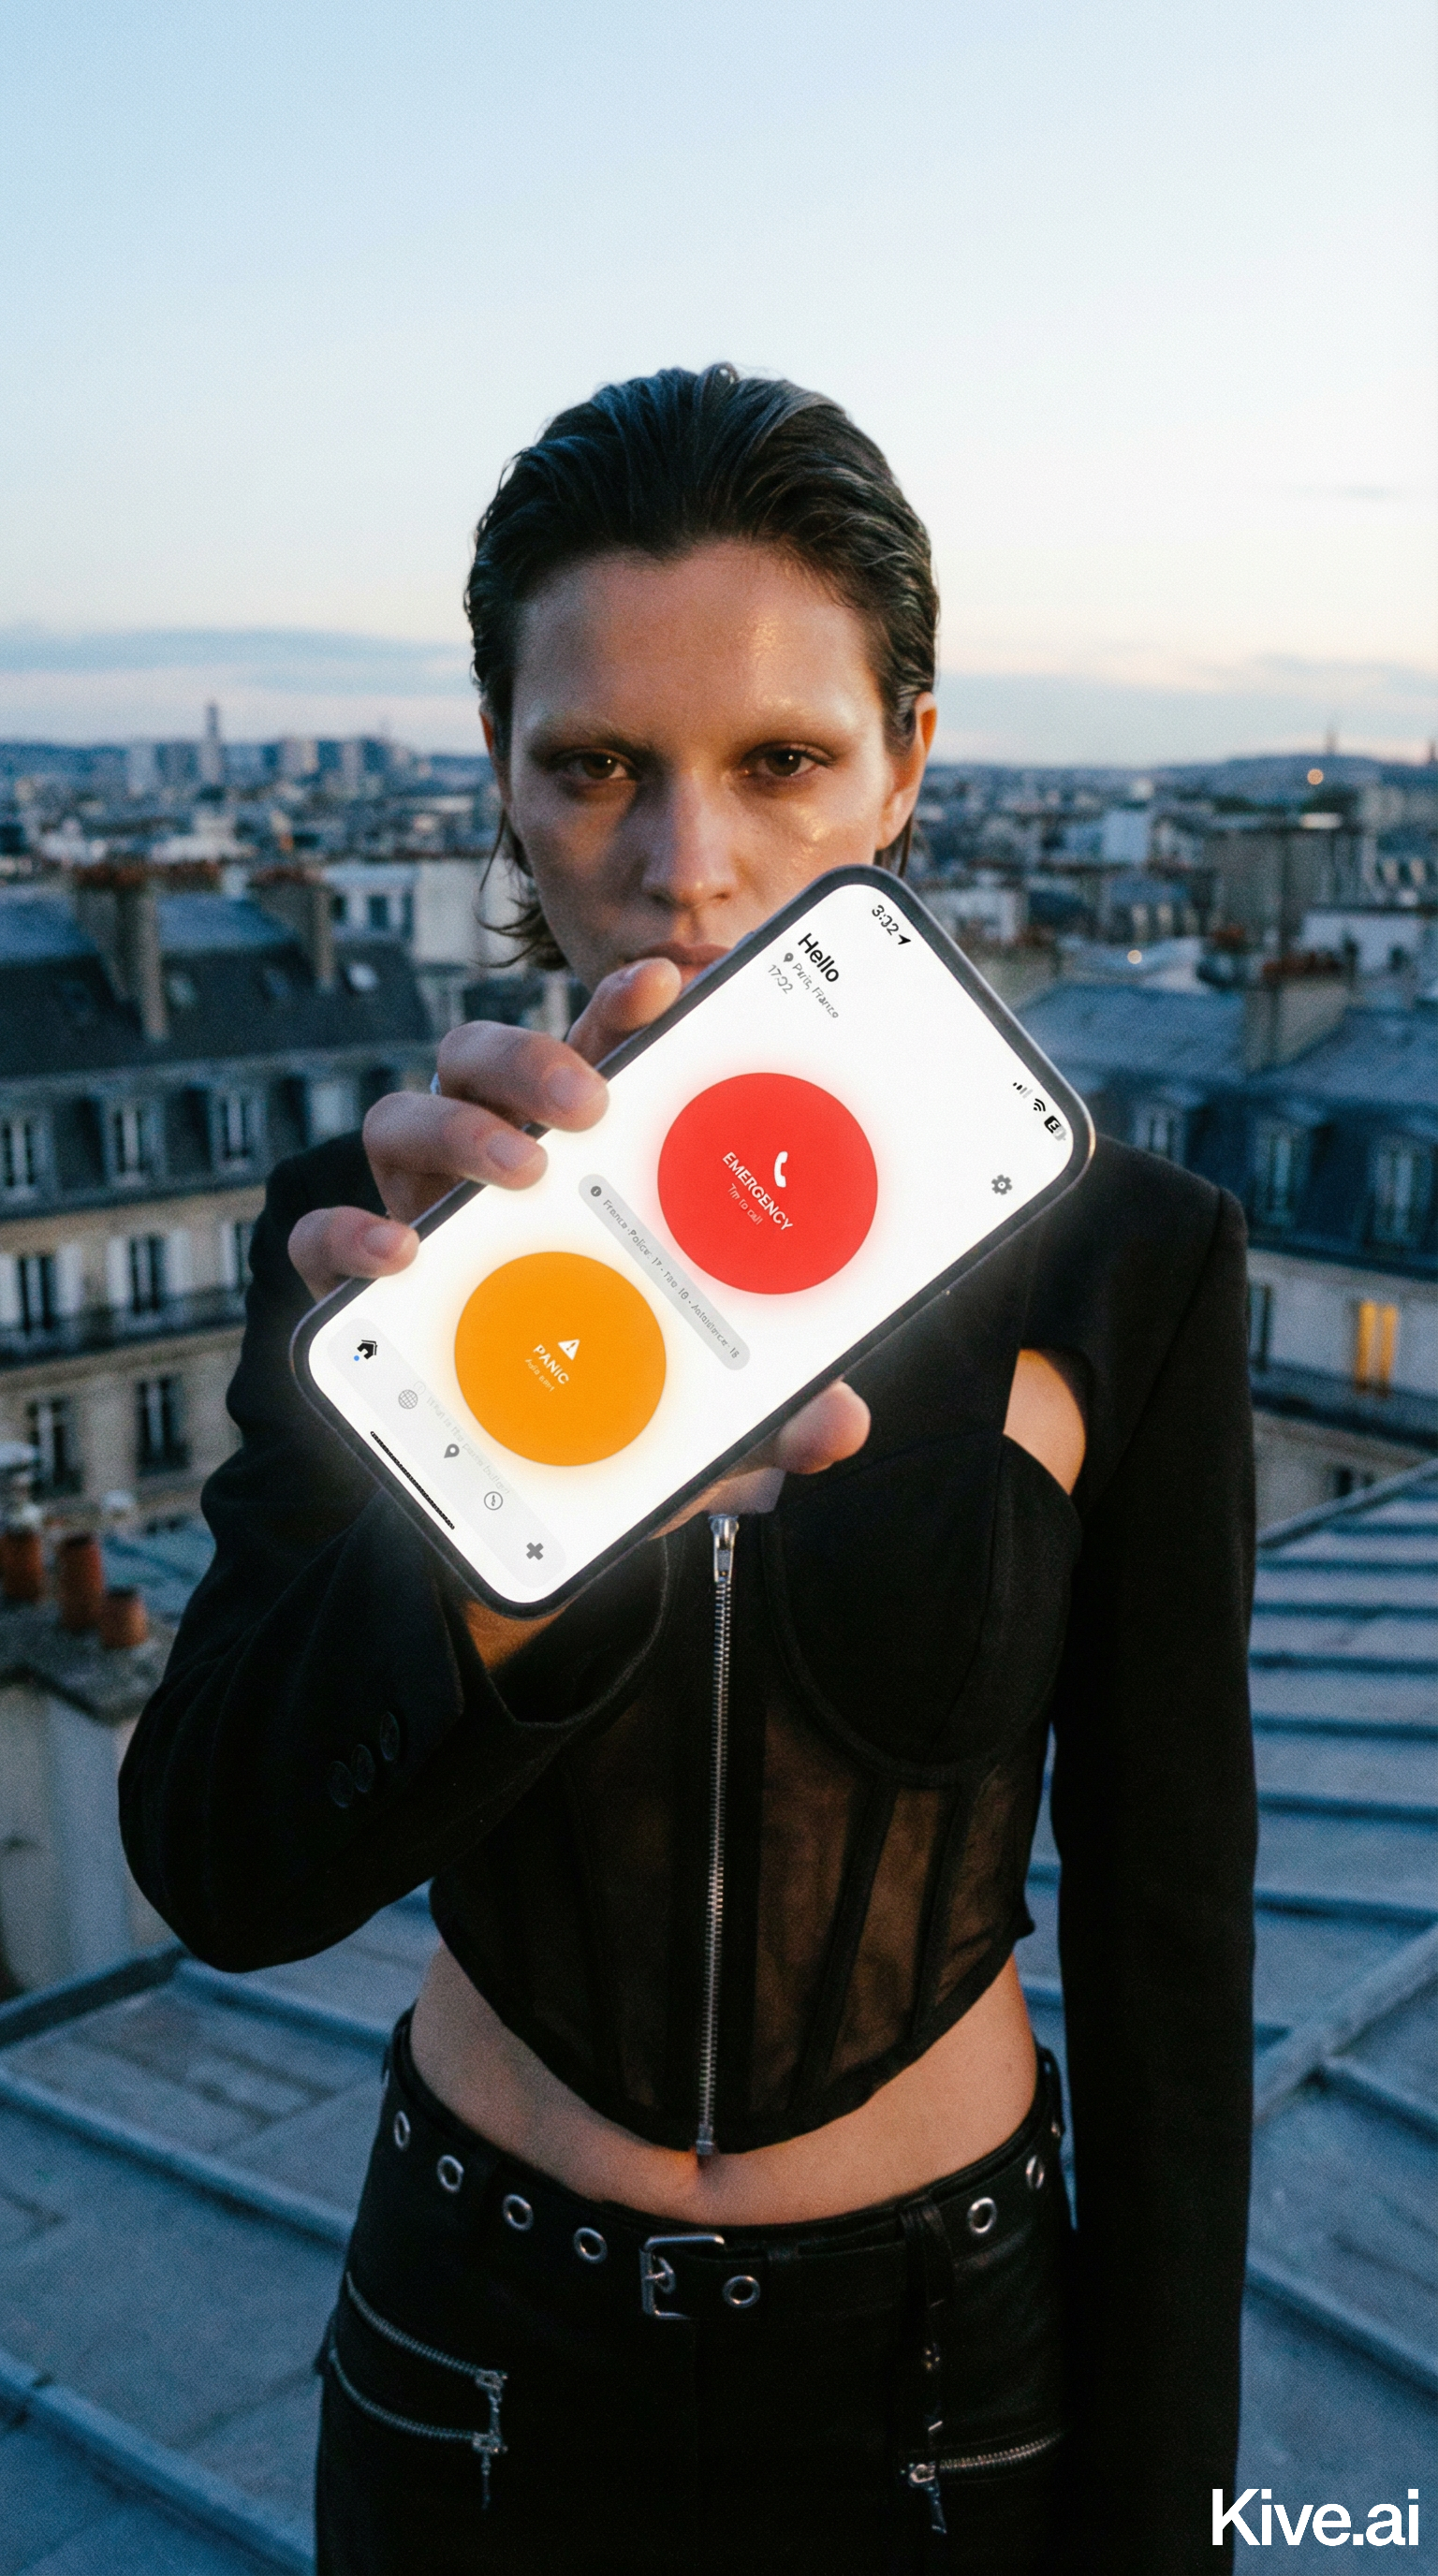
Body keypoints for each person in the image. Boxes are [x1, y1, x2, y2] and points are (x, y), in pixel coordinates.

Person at [120, 366, 1256, 2576]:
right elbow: (222, 1867)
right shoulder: (367, 1233)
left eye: (783, 760)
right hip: (476, 2351)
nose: (683, 860)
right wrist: (480, 1490)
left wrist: (1181, 2515)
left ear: (911, 764)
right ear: (499, 780)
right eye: (596, 764)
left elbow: (1169, 1953)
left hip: (954, 2368)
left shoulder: (1130, 1263)